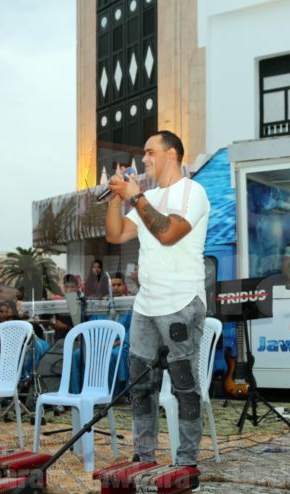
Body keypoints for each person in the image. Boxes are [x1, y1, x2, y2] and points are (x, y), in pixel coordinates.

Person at [105, 129, 210, 471]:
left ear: (172, 154)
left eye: (151, 151)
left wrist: (135, 196)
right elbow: (116, 234)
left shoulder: (192, 191)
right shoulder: (148, 197)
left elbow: (168, 233)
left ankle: (186, 461)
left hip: (181, 303)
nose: (144, 158)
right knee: (140, 385)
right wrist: (115, 199)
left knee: (184, 385)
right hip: (145, 305)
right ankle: (144, 456)